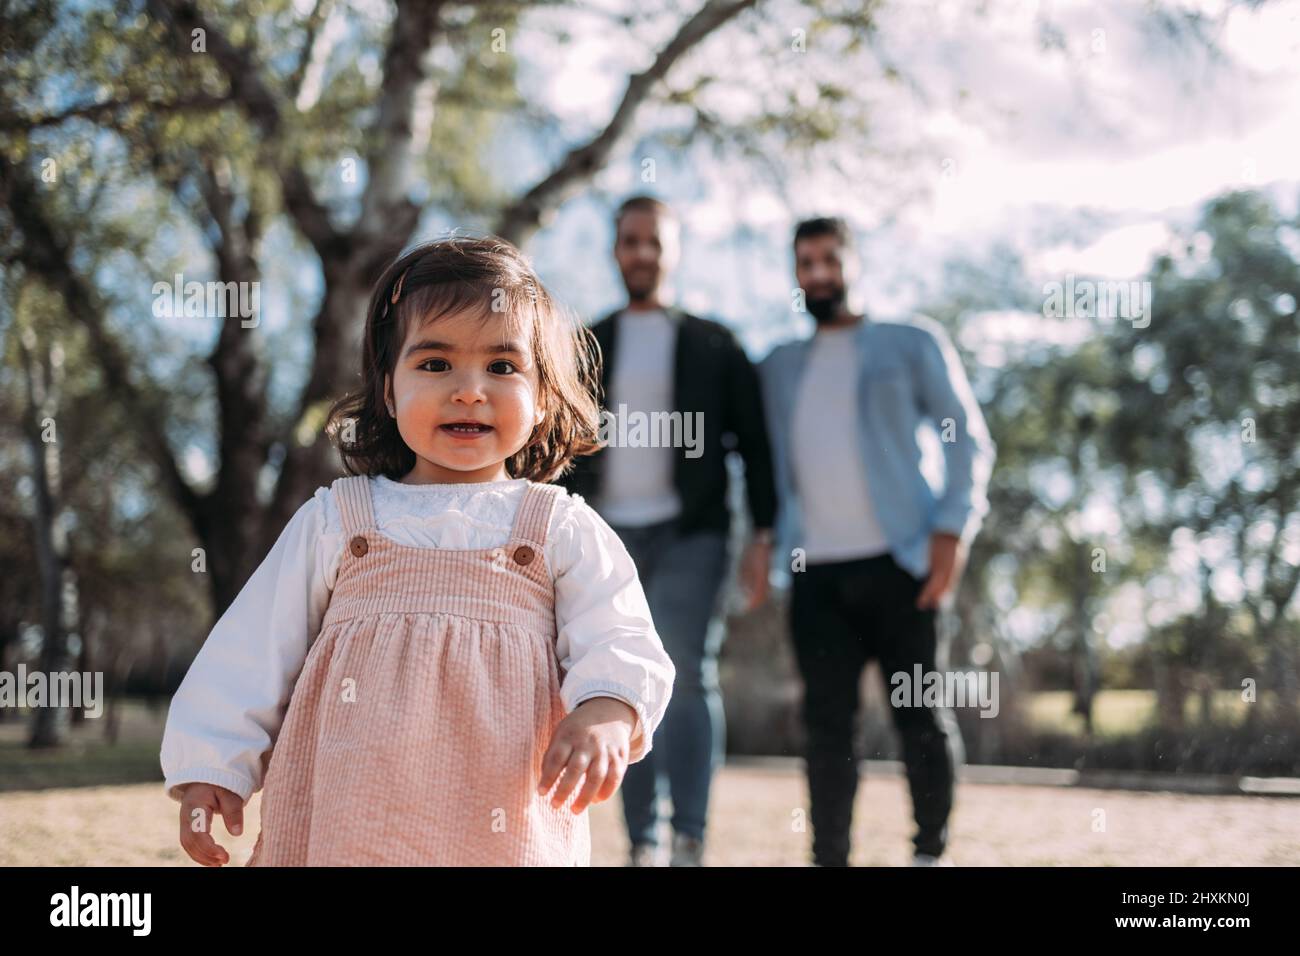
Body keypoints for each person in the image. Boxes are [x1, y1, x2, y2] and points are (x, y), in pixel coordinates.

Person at [160, 236, 675, 866]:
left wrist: (606, 709)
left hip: (501, 824)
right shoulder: (336, 521)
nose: (468, 390)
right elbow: (252, 649)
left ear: (543, 396)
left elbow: (622, 635)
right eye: (435, 364)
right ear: (387, 387)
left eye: (502, 367)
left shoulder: (559, 529)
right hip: (349, 824)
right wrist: (212, 763)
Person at [759, 217, 996, 867]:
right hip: (815, 573)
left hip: (904, 564)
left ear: (854, 265)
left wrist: (952, 528)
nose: (817, 274)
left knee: (919, 716)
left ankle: (930, 854)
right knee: (827, 730)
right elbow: (757, 460)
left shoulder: (909, 343)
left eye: (829, 260)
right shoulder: (779, 366)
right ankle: (829, 858)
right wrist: (761, 541)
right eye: (804, 263)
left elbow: (965, 437)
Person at [556, 196, 777, 866]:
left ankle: (690, 836)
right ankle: (642, 840)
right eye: (630, 241)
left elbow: (757, 446)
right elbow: (556, 444)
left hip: (693, 534)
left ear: (673, 252)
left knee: (685, 670)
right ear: (615, 251)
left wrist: (765, 536)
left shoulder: (715, 342)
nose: (642, 252)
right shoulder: (586, 343)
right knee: (615, 674)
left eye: (654, 241)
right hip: (607, 537)